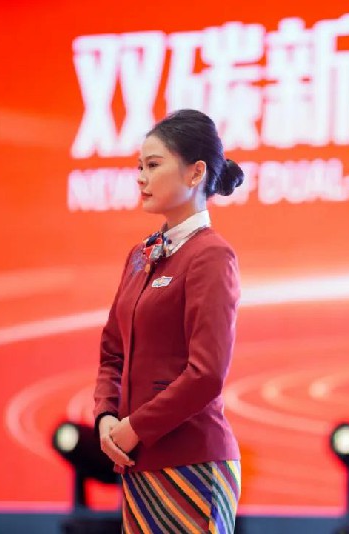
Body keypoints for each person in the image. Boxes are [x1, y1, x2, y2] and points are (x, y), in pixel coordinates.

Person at [93, 109, 244, 534]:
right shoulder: (140, 255)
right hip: (139, 463)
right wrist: (106, 417)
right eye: (139, 167)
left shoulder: (211, 255)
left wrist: (135, 428)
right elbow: (112, 353)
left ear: (196, 172)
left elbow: (206, 373)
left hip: (193, 465)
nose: (141, 178)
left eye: (154, 165)